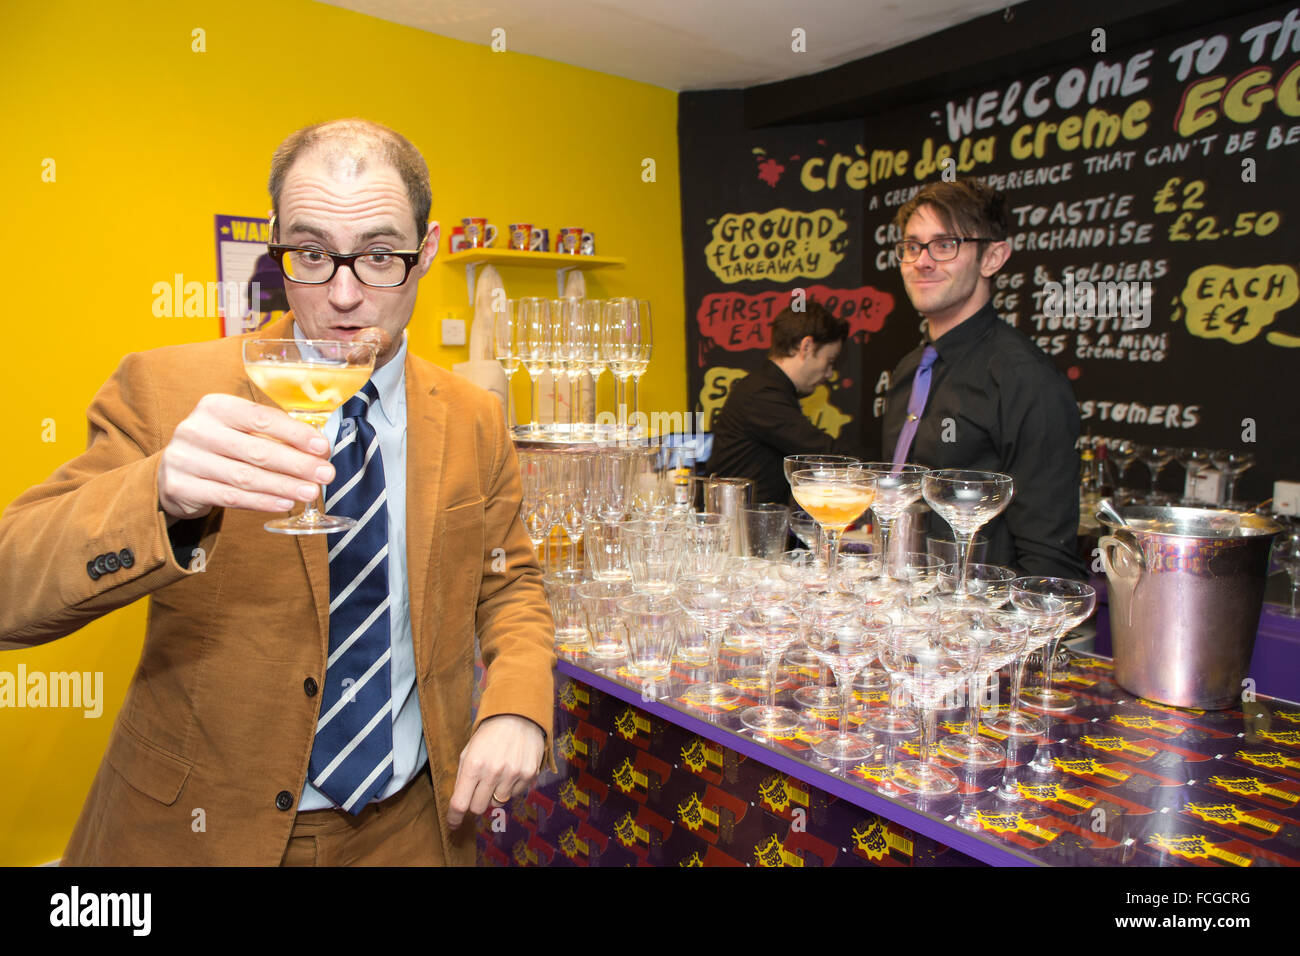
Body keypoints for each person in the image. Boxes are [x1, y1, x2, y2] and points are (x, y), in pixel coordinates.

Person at [0, 119, 556, 865]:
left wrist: (519, 704)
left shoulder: (475, 416)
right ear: (277, 252)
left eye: (381, 256)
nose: (345, 295)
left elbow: (509, 581)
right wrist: (156, 492)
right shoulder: (169, 390)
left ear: (425, 254)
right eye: (314, 254)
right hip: (199, 833)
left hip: (412, 830)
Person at [882, 179, 1086, 579]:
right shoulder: (910, 368)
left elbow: (1049, 561)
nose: (922, 261)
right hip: (903, 611)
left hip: (978, 623)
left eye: (945, 245)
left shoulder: (1023, 378)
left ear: (993, 258)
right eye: (912, 246)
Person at [708, 302, 868, 504]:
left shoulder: (765, 389)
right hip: (745, 527)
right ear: (806, 347)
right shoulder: (762, 396)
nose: (829, 373)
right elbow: (826, 453)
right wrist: (887, 468)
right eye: (829, 360)